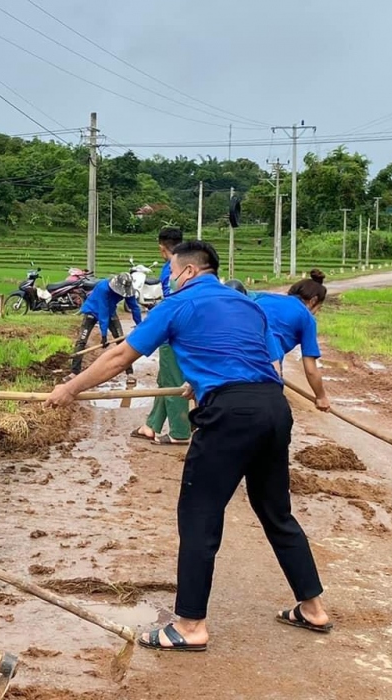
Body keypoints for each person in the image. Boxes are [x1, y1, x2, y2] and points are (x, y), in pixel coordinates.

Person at [48, 241, 329, 650]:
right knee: (276, 512)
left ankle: (190, 626)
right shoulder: (247, 305)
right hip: (272, 408)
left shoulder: (178, 305)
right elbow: (261, 362)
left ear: (190, 272)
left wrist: (70, 388)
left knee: (199, 515)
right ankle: (313, 609)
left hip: (229, 416)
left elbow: (121, 356)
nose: (169, 280)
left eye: (172, 272)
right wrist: (201, 384)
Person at [133, 227, 190, 444]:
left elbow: (174, 304)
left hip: (174, 336)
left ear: (161, 248)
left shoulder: (170, 269)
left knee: (174, 382)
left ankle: (179, 432)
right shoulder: (189, 267)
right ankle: (152, 425)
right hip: (185, 333)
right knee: (165, 379)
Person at [252, 271, 331, 412]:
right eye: (319, 308)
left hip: (233, 349)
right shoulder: (307, 318)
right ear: (313, 301)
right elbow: (311, 369)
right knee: (272, 411)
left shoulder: (264, 297)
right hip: (267, 363)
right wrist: (321, 396)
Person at [71, 272, 141, 378]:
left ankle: (129, 373)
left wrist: (139, 324)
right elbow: (103, 311)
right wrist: (103, 334)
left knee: (121, 341)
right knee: (81, 341)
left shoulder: (128, 290)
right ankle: (74, 372)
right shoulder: (103, 288)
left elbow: (135, 308)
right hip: (92, 310)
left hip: (111, 312)